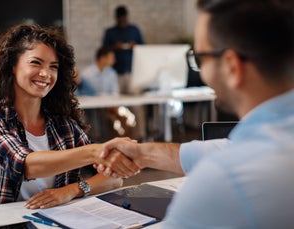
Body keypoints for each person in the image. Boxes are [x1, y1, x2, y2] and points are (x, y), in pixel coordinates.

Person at [98, 0, 294, 227]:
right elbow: (224, 148)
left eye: (200, 59)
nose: (201, 72)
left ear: (231, 66)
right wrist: (142, 153)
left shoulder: (224, 180)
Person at [0, 24, 139, 208]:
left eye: (53, 67)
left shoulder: (64, 126)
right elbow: (24, 165)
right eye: (36, 62)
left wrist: (71, 191)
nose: (46, 74)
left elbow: (113, 178)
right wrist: (95, 152)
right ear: (12, 65)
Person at [102, 5, 144, 94]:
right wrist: (115, 47)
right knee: (117, 100)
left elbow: (143, 47)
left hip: (132, 71)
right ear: (116, 18)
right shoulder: (110, 32)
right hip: (115, 72)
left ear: (126, 17)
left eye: (123, 18)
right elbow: (103, 50)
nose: (122, 21)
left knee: (136, 102)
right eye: (120, 18)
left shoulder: (134, 30)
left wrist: (135, 45)